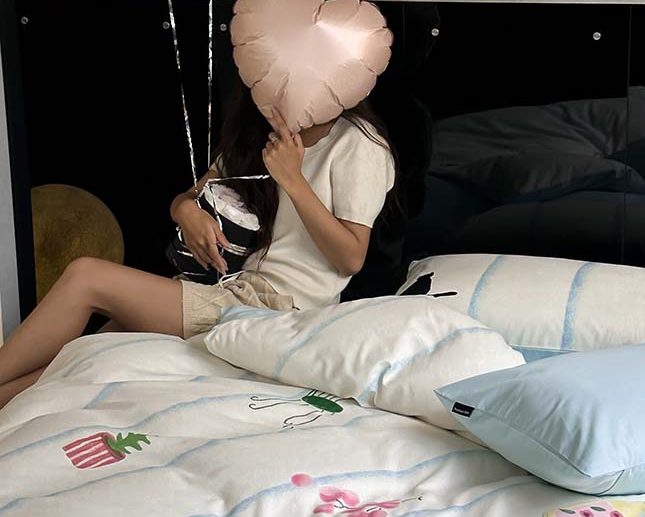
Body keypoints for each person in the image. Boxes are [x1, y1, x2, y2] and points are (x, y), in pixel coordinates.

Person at [0, 82, 396, 409]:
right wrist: (186, 210)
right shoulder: (261, 131)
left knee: (86, 277)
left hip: (279, 310)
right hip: (224, 286)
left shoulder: (357, 144)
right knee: (89, 352)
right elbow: (189, 196)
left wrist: (293, 179)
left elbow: (351, 257)